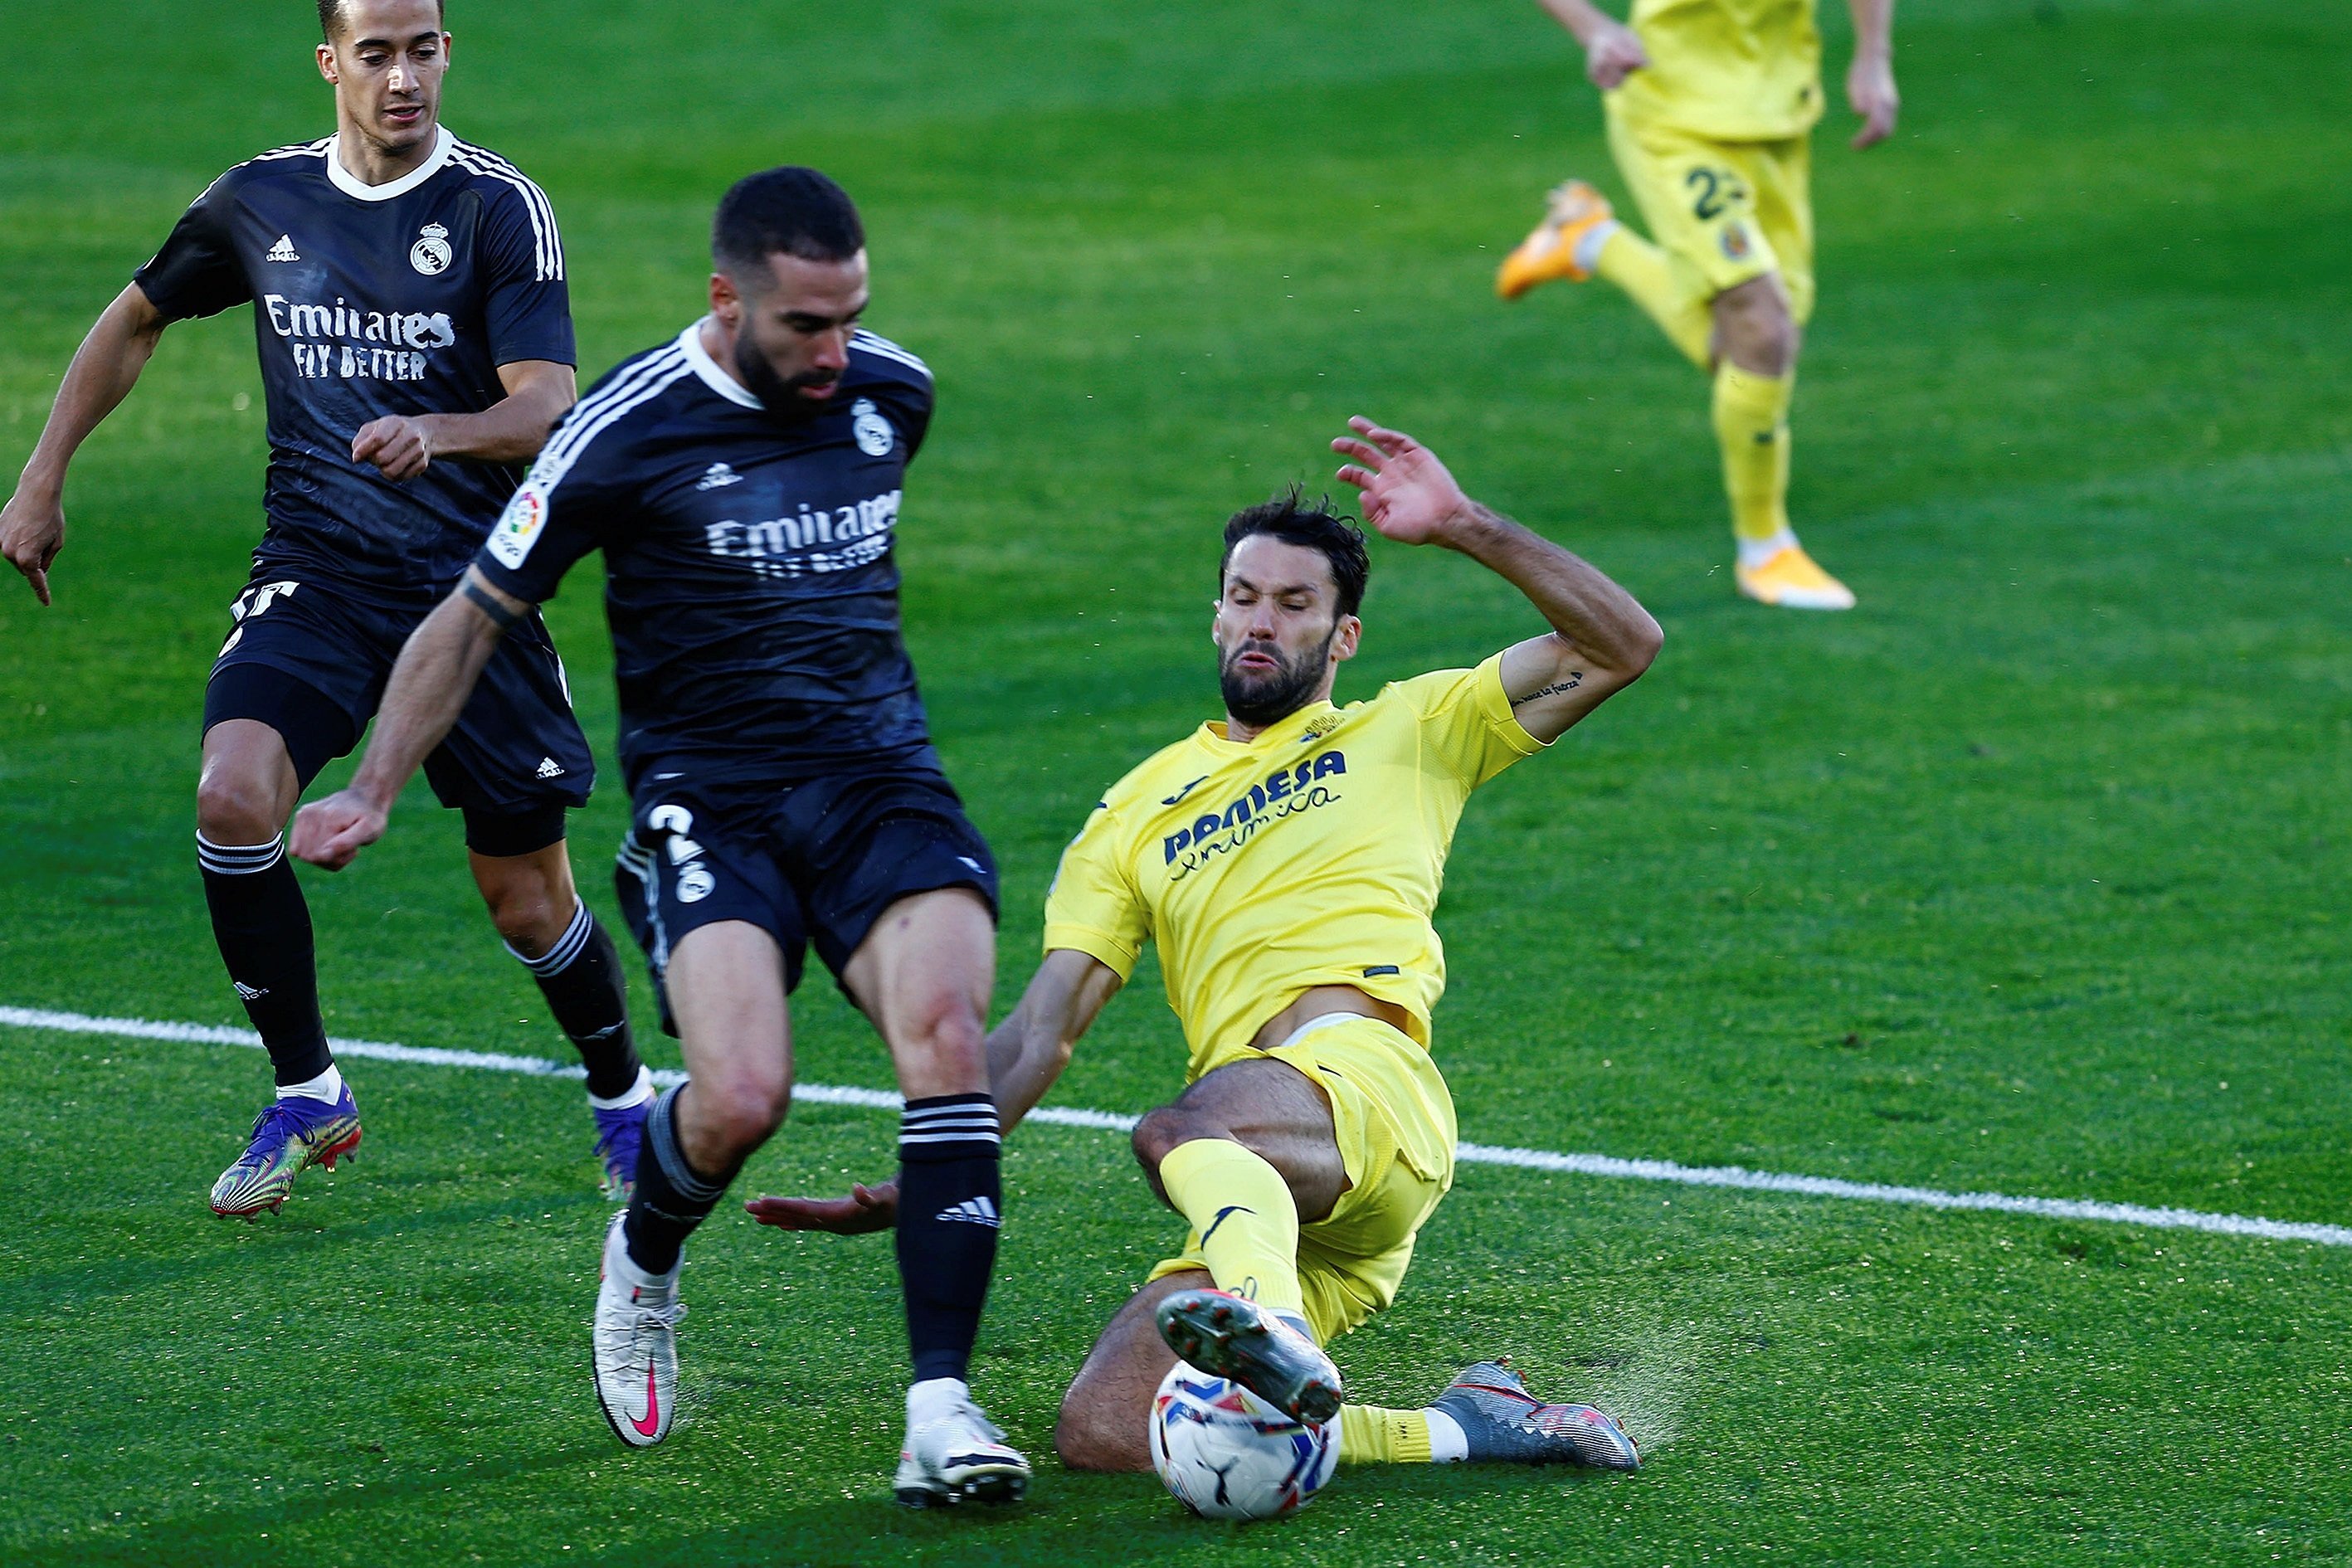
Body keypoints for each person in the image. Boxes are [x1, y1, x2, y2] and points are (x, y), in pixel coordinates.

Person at [291, 166, 1030, 1505]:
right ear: (725, 297)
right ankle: (645, 1259)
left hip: (879, 783)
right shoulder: (626, 430)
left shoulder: (890, 394)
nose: (836, 352)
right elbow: (472, 616)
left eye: (852, 316)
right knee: (745, 1098)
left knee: (950, 1041)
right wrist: (373, 788)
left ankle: (940, 1409)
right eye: (806, 323)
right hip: (715, 802)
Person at [752, 419, 1661, 1475]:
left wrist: (1464, 526)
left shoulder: (1413, 728)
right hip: (1253, 1185)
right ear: (1216, 614)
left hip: (1361, 1101)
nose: (1261, 623)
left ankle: (1267, 1325)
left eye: (1294, 603)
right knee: (1106, 1433)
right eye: (1243, 598)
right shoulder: (1132, 814)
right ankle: (1466, 1428)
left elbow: (1620, 645)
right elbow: (1042, 1031)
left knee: (1176, 1123)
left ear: (1345, 634)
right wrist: (942, 1159)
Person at [0, 0, 648, 1219]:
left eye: (423, 49)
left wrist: (437, 432)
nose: (403, 77)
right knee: (232, 791)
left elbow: (547, 403)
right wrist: (43, 477)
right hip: (320, 568)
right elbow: (136, 314)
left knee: (524, 895)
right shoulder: (262, 201)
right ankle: (309, 1090)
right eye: (376, 53)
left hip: (471, 594)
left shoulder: (496, 208)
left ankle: (621, 1098)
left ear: (448, 52)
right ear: (330, 62)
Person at [1497, 0, 1899, 611]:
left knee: (1750, 352)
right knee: (1763, 333)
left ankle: (1589, 238)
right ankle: (1766, 549)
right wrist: (1594, 29)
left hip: (1778, 114)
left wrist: (1873, 57)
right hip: (1670, 113)